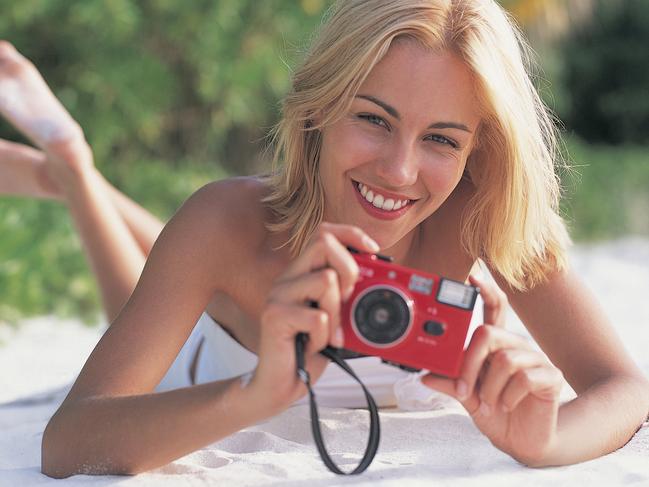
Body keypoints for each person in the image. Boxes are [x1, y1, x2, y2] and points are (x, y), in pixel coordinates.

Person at [2, 0, 647, 477]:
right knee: (155, 288)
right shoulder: (226, 221)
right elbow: (70, 440)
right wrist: (253, 397)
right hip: (206, 360)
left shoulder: (484, 216)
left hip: (232, 271)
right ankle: (79, 176)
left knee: (178, 263)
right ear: (318, 107)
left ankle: (78, 177)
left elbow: (625, 388)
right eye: (373, 119)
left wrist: (548, 440)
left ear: (480, 150)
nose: (398, 172)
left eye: (443, 139)